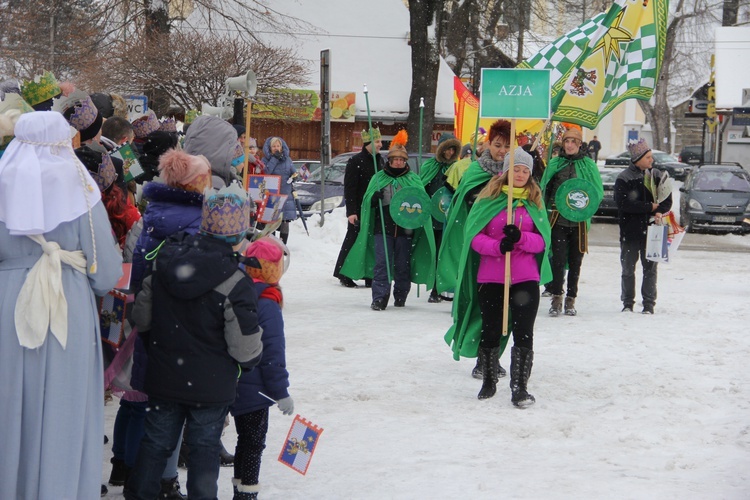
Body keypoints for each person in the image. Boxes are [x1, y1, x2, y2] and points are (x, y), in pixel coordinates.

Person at [0, 111, 122, 499]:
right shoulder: (79, 189)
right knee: (63, 409)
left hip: (7, 303)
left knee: (10, 401)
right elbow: (105, 271)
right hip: (66, 304)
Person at [124, 183, 263, 500]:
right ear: (239, 230)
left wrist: (157, 342)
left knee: (156, 442)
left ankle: (139, 494)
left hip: (164, 375)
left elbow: (141, 316)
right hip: (211, 387)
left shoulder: (167, 259)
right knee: (204, 450)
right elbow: (244, 346)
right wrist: (250, 360)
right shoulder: (235, 280)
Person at [444, 147, 551, 406]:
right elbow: (474, 237)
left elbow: (541, 242)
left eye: (525, 170)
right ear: (506, 171)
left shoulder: (534, 202)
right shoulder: (487, 200)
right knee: (491, 330)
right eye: (516, 169)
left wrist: (521, 238)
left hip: (525, 278)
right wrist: (497, 246)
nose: (521, 174)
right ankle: (489, 379)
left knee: (524, 332)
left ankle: (519, 387)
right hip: (492, 278)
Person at [340, 130, 436, 310]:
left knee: (402, 264)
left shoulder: (413, 179)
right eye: (395, 159)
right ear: (390, 161)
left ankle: (400, 295)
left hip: (405, 228)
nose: (398, 162)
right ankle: (379, 297)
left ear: (405, 161)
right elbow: (367, 201)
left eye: (401, 159)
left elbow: (422, 202)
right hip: (382, 227)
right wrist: (373, 200)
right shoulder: (379, 178)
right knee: (382, 263)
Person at [231, 237, 294, 500]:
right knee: (253, 443)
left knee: (243, 441)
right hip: (255, 391)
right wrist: (281, 392)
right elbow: (272, 353)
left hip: (230, 382)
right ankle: (247, 494)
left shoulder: (237, 292)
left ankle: (239, 490)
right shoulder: (267, 303)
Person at [539, 127, 603, 317]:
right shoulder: (555, 163)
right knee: (557, 261)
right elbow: (545, 189)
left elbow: (596, 191)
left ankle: (571, 299)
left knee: (576, 261)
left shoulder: (588, 165)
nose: (569, 145)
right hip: (557, 220)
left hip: (579, 222)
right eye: (567, 141)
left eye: (573, 142)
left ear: (579, 144)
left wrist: (584, 206)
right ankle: (557, 298)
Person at [614, 138, 672, 314]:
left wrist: (658, 211)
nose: (651, 160)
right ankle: (627, 303)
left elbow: (666, 200)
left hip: (652, 231)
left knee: (650, 269)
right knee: (628, 269)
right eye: (648, 157)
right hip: (630, 231)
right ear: (637, 158)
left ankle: (648, 303)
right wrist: (648, 207)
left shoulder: (656, 176)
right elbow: (623, 204)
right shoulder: (624, 178)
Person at [333, 127, 384, 288]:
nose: (381, 145)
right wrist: (352, 212)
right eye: (377, 141)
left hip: (374, 208)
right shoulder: (356, 161)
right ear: (368, 143)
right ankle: (343, 272)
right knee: (354, 241)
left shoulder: (380, 161)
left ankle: (368, 273)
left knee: (371, 242)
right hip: (360, 210)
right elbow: (350, 188)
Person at [419, 132, 461, 302]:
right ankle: (435, 289)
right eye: (447, 149)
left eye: (453, 149)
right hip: (433, 219)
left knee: (449, 254)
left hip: (451, 218)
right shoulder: (429, 166)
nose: (450, 153)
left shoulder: (457, 168)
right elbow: (421, 188)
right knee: (436, 254)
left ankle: (448, 288)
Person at [261, 136, 297, 244]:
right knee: (272, 221)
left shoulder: (288, 160)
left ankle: (283, 245)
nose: (276, 148)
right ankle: (271, 244)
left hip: (286, 194)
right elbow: (266, 172)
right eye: (273, 146)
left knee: (285, 221)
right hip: (272, 195)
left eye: (278, 146)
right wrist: (274, 159)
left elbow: (293, 171)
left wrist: (295, 176)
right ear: (269, 148)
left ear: (281, 147)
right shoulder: (265, 160)